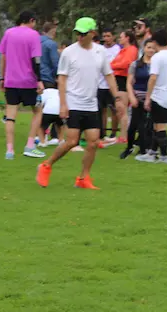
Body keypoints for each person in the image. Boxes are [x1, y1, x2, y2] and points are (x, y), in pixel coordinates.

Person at [36, 17, 117, 189]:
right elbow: (62, 79)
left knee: (93, 143)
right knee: (71, 141)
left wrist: (116, 96)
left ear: (92, 33)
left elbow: (108, 75)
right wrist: (63, 104)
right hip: (73, 102)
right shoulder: (69, 52)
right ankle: (46, 165)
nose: (79, 36)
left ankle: (83, 178)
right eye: (77, 33)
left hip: (91, 104)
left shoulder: (100, 52)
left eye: (83, 33)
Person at [0, 10, 45, 160]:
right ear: (31, 20)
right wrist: (39, 80)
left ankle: (9, 150)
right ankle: (30, 145)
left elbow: (3, 57)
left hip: (11, 81)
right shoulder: (34, 35)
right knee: (38, 111)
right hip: (28, 81)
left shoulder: (8, 33)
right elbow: (36, 60)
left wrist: (2, 78)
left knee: (10, 116)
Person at [137, 29, 167, 165]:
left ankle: (163, 156)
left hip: (160, 96)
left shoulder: (157, 57)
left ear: (155, 42)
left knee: (160, 126)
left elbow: (153, 78)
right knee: (156, 124)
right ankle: (152, 153)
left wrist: (148, 97)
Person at [120, 39, 158, 159]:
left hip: (152, 98)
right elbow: (129, 82)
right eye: (149, 47)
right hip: (137, 97)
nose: (151, 50)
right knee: (134, 125)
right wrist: (131, 96)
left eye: (153, 48)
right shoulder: (135, 64)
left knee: (147, 126)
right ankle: (129, 147)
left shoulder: (157, 65)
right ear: (144, 48)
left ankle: (144, 149)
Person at [108, 30, 139, 145]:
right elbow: (115, 63)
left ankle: (124, 136)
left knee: (122, 108)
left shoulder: (131, 50)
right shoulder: (122, 50)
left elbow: (126, 64)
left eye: (121, 37)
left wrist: (112, 66)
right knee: (119, 108)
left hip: (123, 79)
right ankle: (122, 135)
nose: (119, 39)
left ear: (127, 38)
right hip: (118, 79)